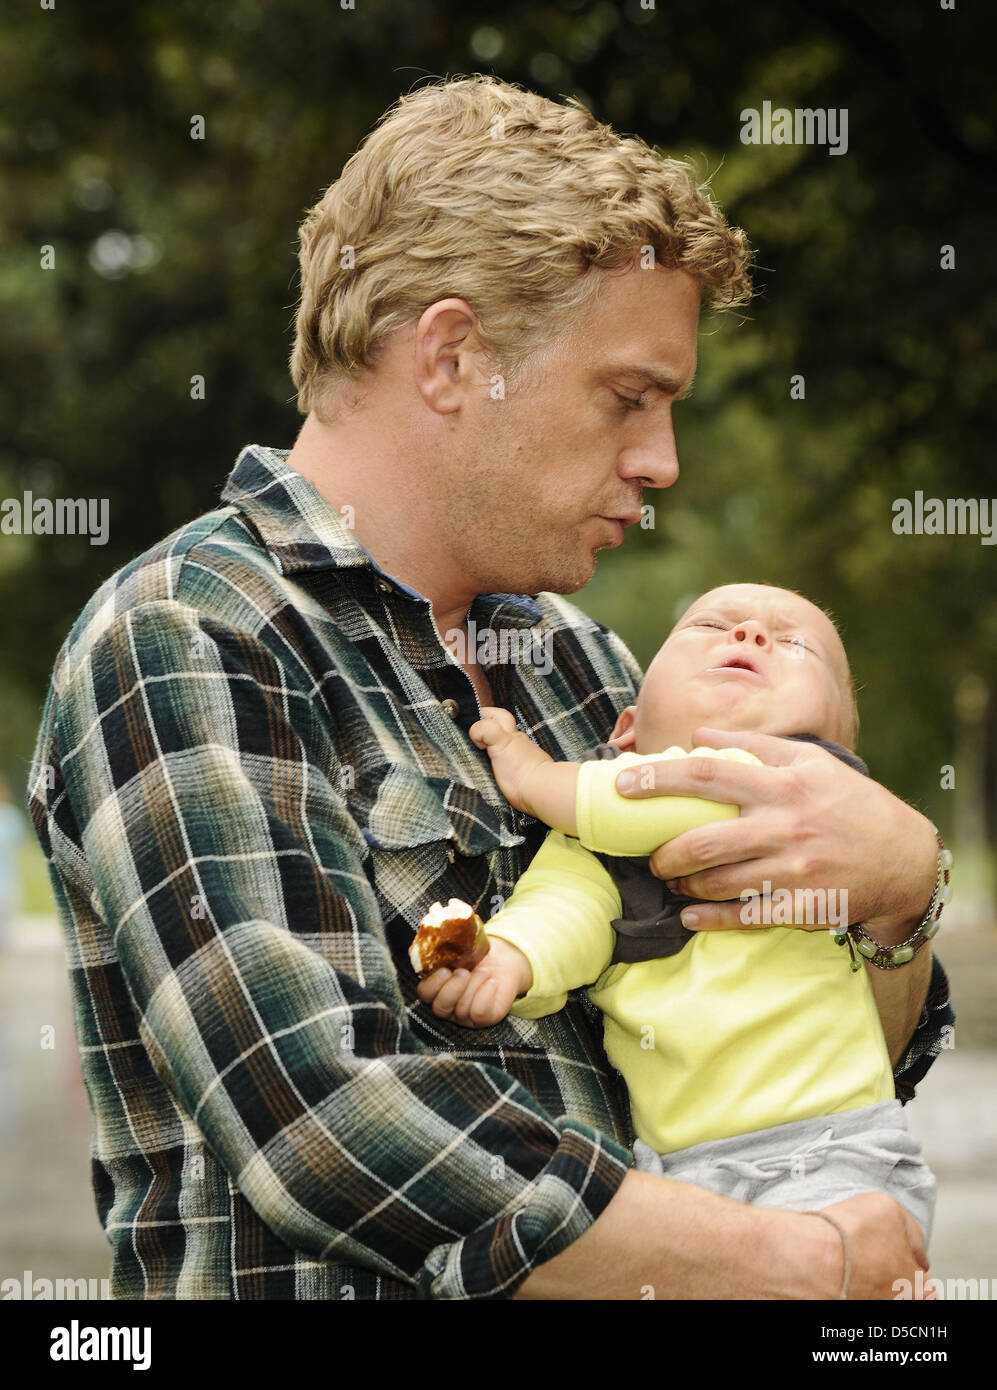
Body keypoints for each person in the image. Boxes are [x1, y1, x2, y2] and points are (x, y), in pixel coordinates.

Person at [28, 75, 953, 1300]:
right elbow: (324, 1126)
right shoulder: (187, 639)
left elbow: (798, 1074)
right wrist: (800, 1262)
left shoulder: (586, 665)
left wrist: (894, 906)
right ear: (456, 356)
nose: (660, 461)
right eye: (629, 398)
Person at [419, 583, 945, 1262]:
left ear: (836, 749)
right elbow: (569, 908)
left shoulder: (810, 802)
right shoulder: (590, 835)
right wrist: (509, 960)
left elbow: (641, 801)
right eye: (711, 625)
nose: (751, 635)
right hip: (673, 1172)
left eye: (793, 644)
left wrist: (539, 777)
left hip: (829, 1152)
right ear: (625, 733)